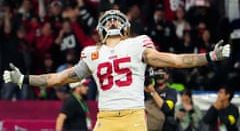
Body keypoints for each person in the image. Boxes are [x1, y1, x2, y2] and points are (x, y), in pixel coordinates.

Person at [3, 10, 230, 131]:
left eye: (116, 20)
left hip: (132, 117)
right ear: (101, 28)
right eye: (108, 20)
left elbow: (174, 60)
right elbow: (59, 78)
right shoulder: (91, 53)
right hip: (106, 118)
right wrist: (24, 78)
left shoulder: (138, 43)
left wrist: (209, 56)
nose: (112, 23)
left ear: (126, 27)